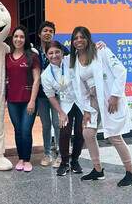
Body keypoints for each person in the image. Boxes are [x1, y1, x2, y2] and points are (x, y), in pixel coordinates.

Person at [69, 26, 132, 187]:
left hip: (108, 99)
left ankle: (131, 173)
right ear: (72, 42)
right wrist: (86, 108)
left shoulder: (101, 51)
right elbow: (80, 87)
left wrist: (115, 96)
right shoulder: (74, 60)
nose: (79, 40)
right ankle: (98, 170)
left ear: (88, 38)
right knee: (87, 133)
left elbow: (121, 71)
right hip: (92, 102)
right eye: (75, 38)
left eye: (82, 37)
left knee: (115, 136)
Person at [41, 41, 84, 176]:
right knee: (64, 132)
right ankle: (64, 162)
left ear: (62, 51)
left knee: (80, 132)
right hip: (65, 104)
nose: (54, 55)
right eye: (50, 53)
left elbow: (85, 50)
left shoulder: (71, 59)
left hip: (81, 101)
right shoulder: (46, 75)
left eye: (57, 52)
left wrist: (99, 45)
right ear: (46, 55)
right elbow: (51, 96)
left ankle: (75, 161)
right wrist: (60, 112)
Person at [6, 25, 41, 172]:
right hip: (12, 101)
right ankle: (20, 158)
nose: (18, 39)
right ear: (12, 39)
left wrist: (32, 100)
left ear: (25, 39)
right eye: (16, 36)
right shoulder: (6, 57)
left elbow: (36, 79)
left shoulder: (32, 56)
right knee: (18, 130)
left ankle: (27, 159)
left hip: (28, 100)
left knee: (26, 130)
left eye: (21, 37)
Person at [36, 21, 62, 167]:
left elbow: (74, 57)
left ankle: (60, 153)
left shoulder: (58, 48)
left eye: (51, 31)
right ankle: (47, 153)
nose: (48, 33)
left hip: (56, 94)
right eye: (45, 30)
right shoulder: (34, 51)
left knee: (57, 124)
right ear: (40, 34)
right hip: (41, 95)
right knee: (46, 124)